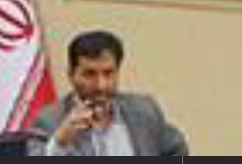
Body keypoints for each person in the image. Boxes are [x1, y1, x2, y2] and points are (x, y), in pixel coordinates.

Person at [28, 30, 188, 156]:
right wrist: (60, 142)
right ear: (71, 74)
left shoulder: (144, 110)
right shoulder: (50, 120)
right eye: (90, 74)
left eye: (108, 73)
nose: (101, 85)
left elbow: (176, 149)